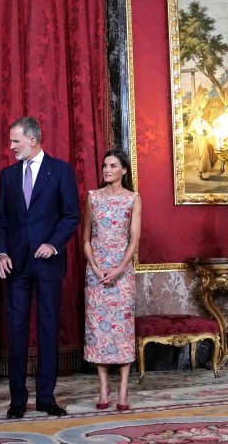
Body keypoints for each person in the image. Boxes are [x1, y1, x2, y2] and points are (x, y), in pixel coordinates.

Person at [0, 116, 81, 418]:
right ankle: (17, 399)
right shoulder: (7, 176)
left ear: (33, 139)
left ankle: (46, 397)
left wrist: (54, 243)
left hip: (48, 264)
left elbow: (71, 215)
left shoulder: (60, 171)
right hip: (16, 265)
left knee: (47, 329)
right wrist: (1, 254)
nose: (12, 146)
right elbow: (0, 221)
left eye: (16, 140)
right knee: (16, 330)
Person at [82, 149, 140, 412]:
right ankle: (103, 388)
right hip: (96, 274)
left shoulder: (133, 199)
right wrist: (95, 267)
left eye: (113, 165)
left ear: (124, 170)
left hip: (122, 273)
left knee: (122, 331)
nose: (107, 170)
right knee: (99, 331)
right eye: (105, 165)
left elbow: (134, 239)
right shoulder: (93, 197)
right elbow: (85, 238)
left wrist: (118, 269)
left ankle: (124, 390)